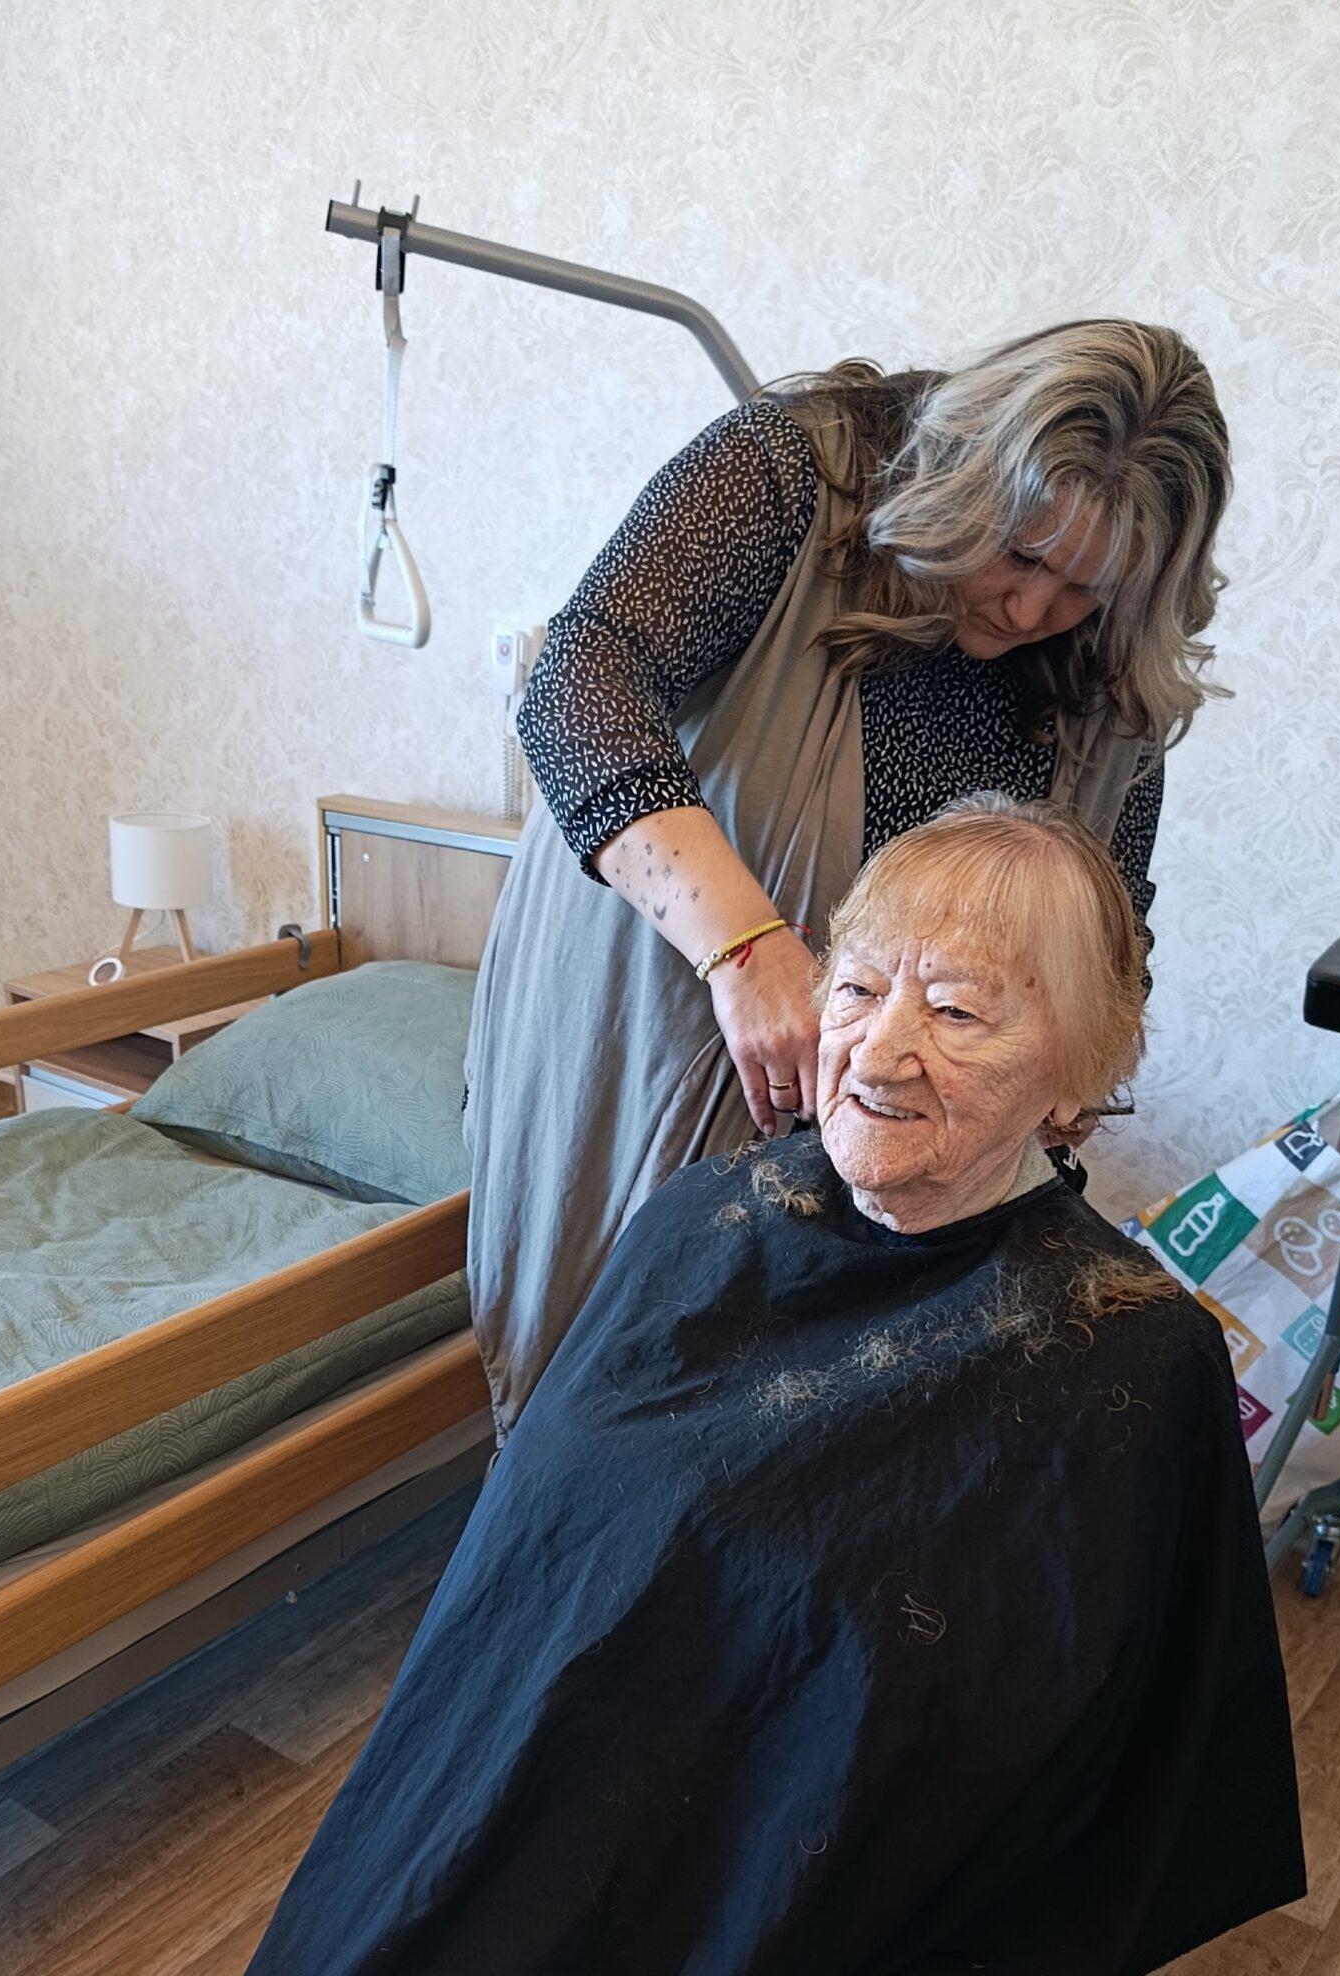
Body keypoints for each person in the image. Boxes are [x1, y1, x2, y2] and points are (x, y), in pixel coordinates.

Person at [0, 803, 1302, 1976]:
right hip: (529, 1891)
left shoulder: (1119, 1374)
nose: (881, 1048)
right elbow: (522, 1605)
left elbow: (1095, 1803)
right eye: (859, 985)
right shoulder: (703, 1225)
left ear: (1082, 1068)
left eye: (963, 1010)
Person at [465, 318, 1232, 1436]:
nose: (1031, 612)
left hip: (903, 1149)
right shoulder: (789, 475)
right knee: (622, 1408)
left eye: (1084, 587)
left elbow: (1116, 922)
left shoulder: (1113, 667)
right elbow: (577, 682)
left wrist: (1066, 1076)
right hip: (673, 1036)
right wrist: (744, 951)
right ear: (967, 485)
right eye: (1019, 555)